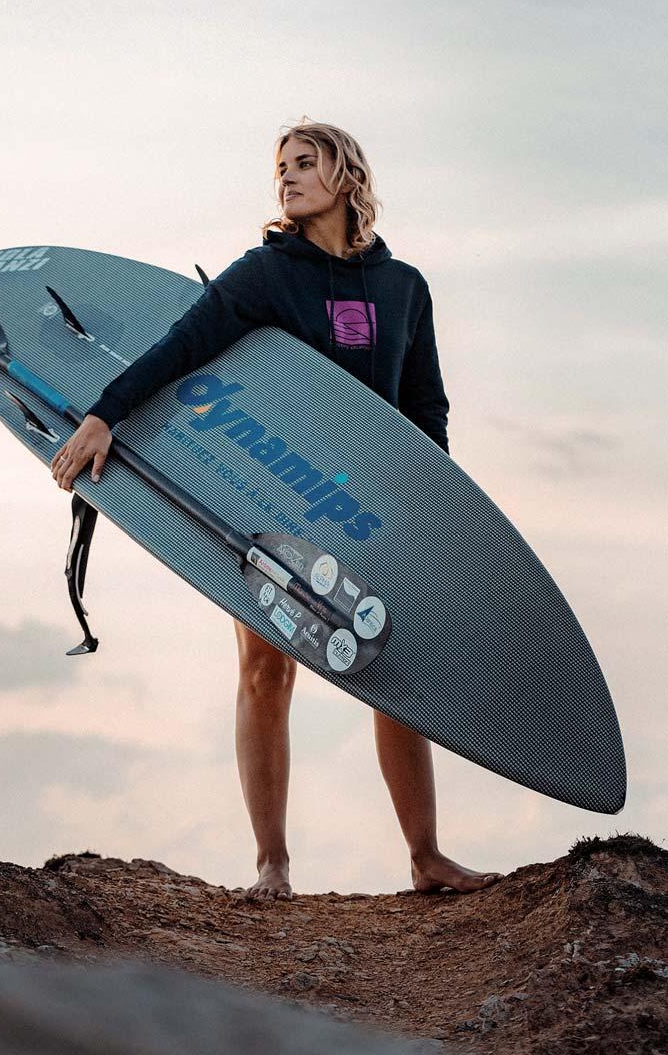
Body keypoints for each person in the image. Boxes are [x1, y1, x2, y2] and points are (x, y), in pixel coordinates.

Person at [51, 119, 504, 899]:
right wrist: (104, 414)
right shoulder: (265, 274)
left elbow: (424, 409)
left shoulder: (403, 288)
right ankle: (273, 863)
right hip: (276, 497)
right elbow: (180, 348)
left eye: (304, 163)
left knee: (394, 672)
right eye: (281, 168)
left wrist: (435, 506)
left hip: (367, 505)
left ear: (346, 176)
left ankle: (426, 856)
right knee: (267, 668)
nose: (287, 178)